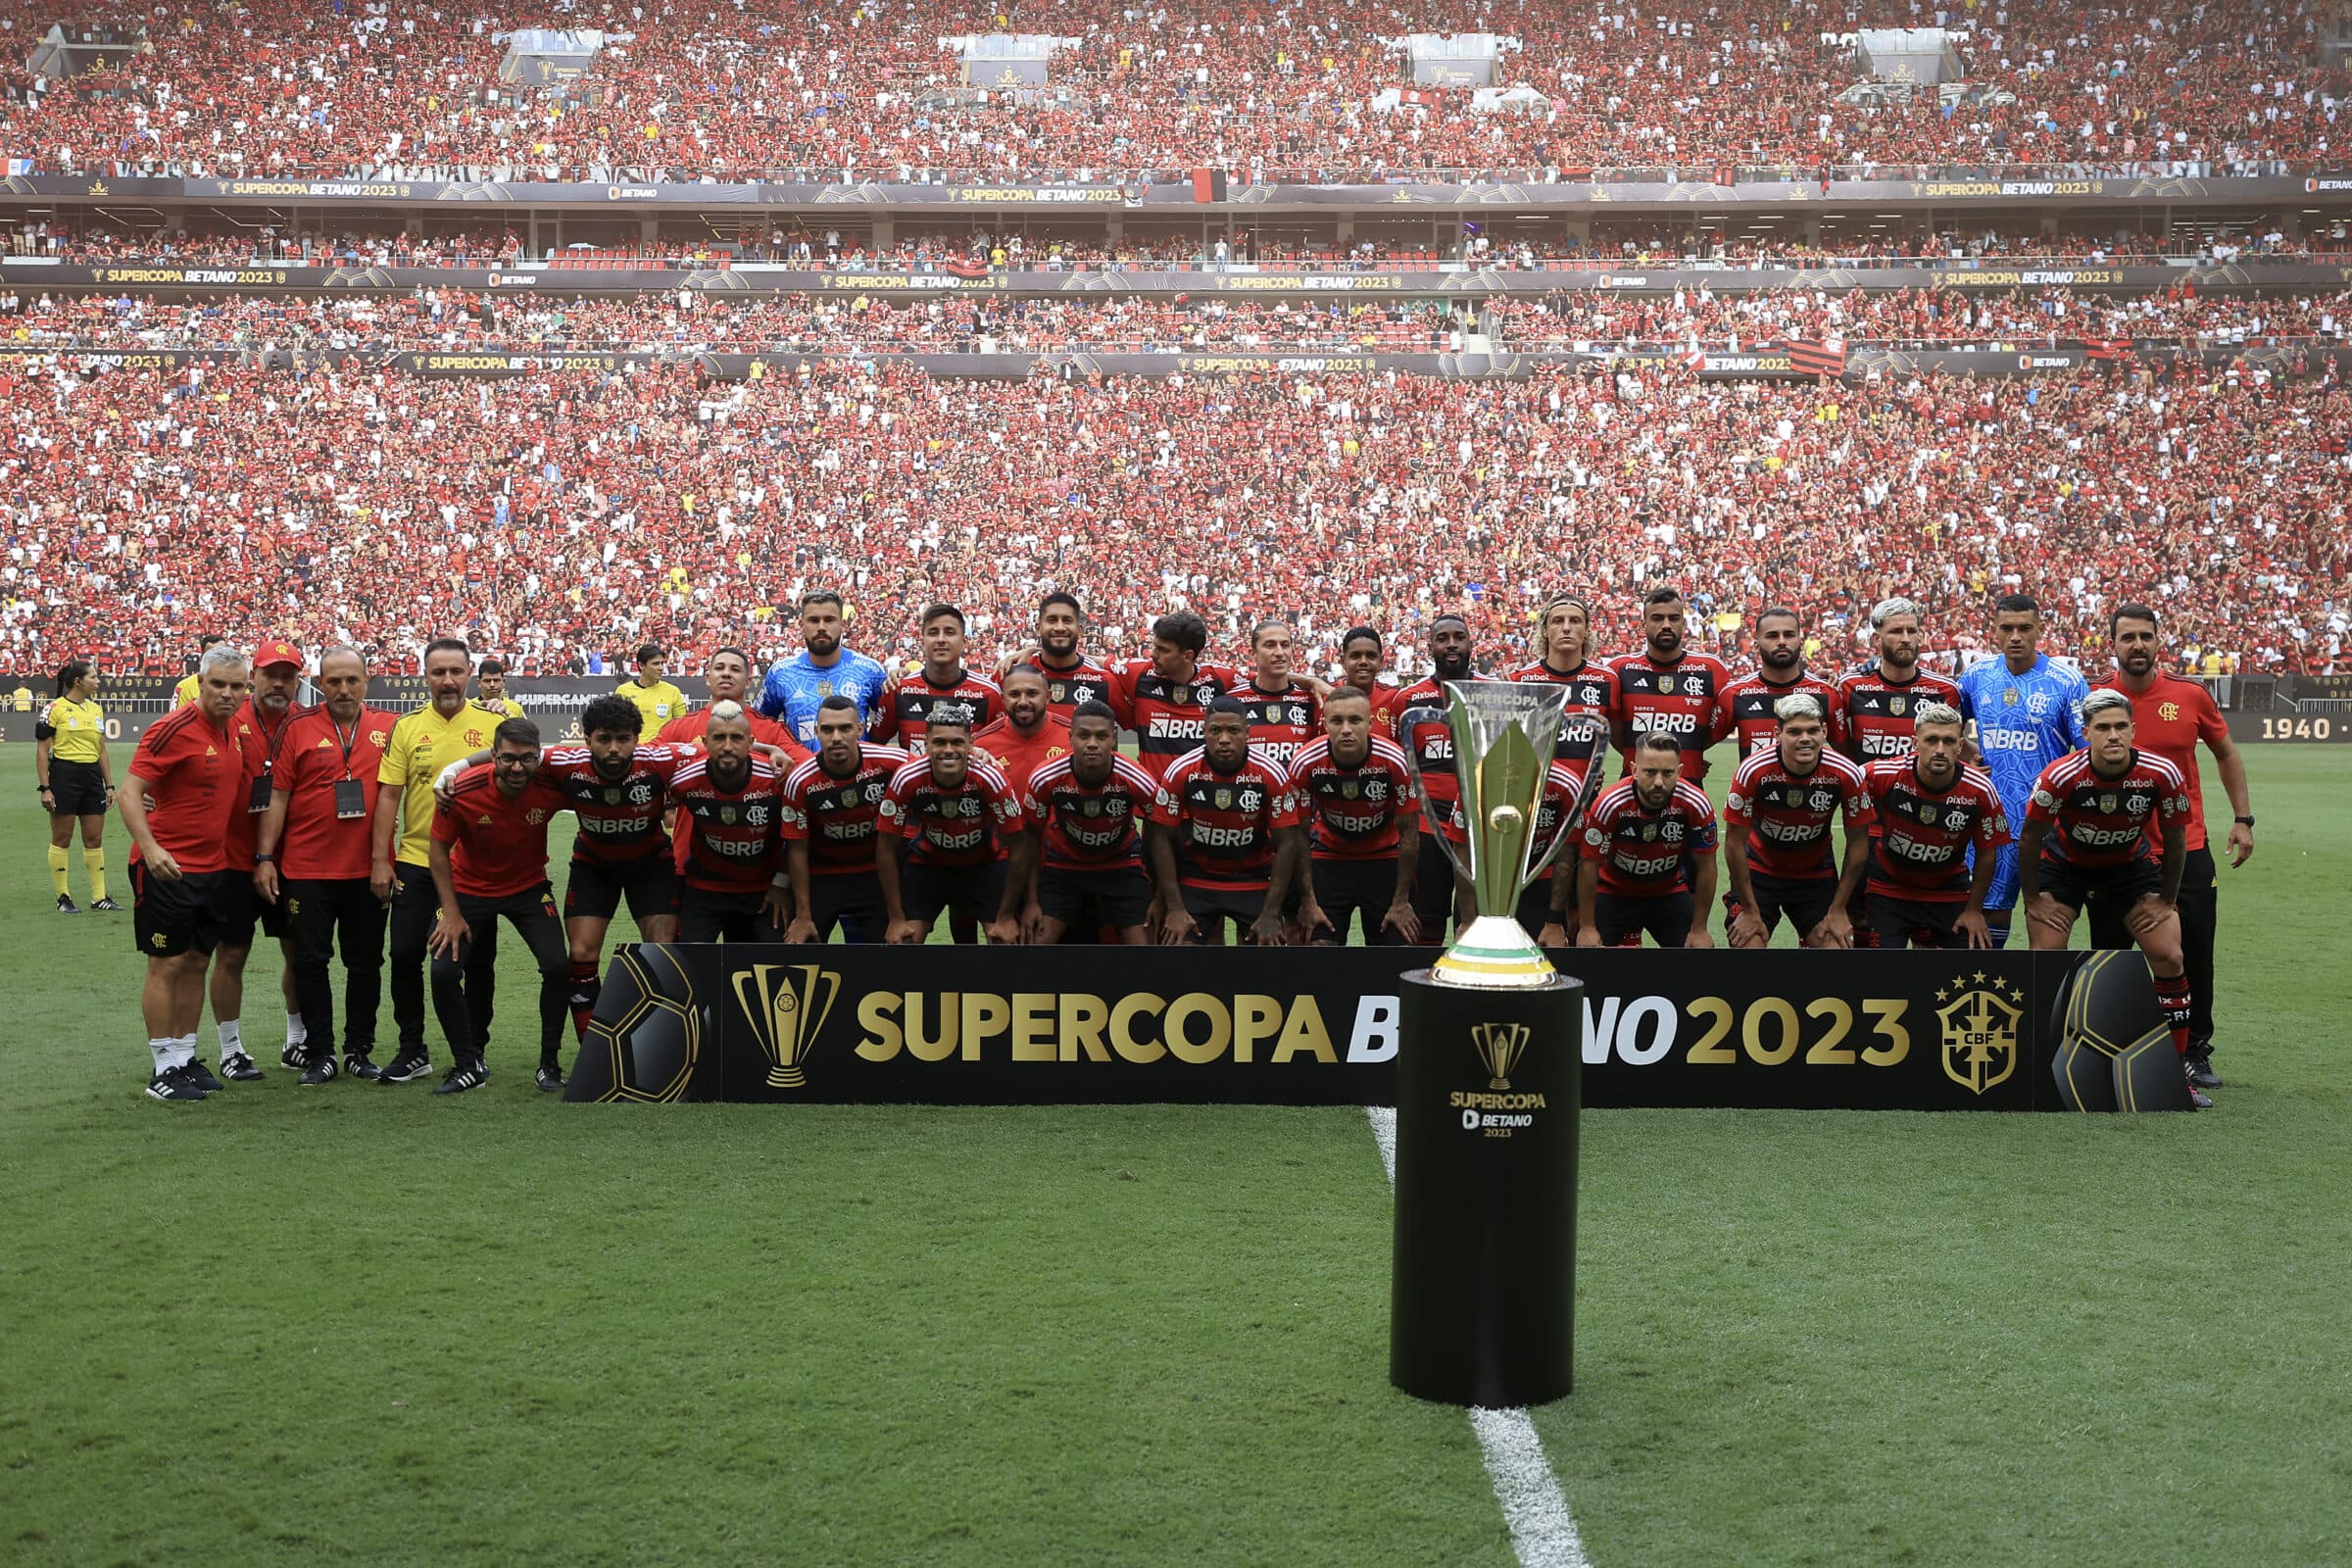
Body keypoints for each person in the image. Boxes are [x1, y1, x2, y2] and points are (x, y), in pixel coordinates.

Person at [2088, 603, 2255, 1089]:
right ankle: (2114, 1044)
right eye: (2127, 638)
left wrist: (2243, 819)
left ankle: (2196, 1049)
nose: (2137, 645)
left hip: (2187, 849)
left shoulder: (2189, 695)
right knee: (2112, 952)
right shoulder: (2096, 698)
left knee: (2196, 949)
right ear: (2113, 644)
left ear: (2158, 640)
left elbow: (2225, 752)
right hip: (2115, 850)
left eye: (2145, 636)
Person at [2017, 690, 2205, 1106]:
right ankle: (2042, 1070)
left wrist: (2166, 901)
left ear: (2134, 730)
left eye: (2121, 726)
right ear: (2086, 733)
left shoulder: (2162, 773)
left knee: (2170, 956)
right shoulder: (2059, 776)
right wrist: (2033, 899)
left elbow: (2175, 842)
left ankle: (2176, 1071)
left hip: (2128, 869)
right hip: (2063, 868)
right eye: (2103, 728)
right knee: (2044, 959)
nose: (2113, 735)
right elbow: (2028, 841)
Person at [254, 647, 395, 1083]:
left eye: (352, 680)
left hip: (369, 871)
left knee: (365, 964)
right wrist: (264, 858)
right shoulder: (297, 726)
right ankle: (320, 1054)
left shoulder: (390, 727)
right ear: (320, 681)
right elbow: (277, 796)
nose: (343, 689)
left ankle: (358, 1049)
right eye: (333, 681)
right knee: (309, 963)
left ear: (367, 681)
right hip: (307, 871)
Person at [119, 644, 251, 1102]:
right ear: (201, 682)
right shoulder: (172, 727)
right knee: (166, 964)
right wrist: (151, 849)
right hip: (167, 868)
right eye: (218, 684)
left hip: (213, 868)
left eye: (237, 686)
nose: (227, 694)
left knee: (197, 961)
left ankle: (184, 1057)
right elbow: (130, 792)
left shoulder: (236, 731)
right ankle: (161, 1069)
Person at [372, 639, 506, 1087]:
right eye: (437, 673)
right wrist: (381, 860)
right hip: (415, 861)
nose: (447, 681)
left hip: (475, 867)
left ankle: (475, 1049)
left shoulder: (494, 727)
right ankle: (413, 1049)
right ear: (424, 676)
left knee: (477, 960)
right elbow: (389, 795)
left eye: (455, 671)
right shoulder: (407, 728)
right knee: (405, 953)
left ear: (470, 673)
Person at [524, 695, 694, 1038]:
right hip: (593, 865)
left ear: (636, 739)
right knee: (582, 953)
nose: (614, 748)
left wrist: (771, 750)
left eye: (623, 738)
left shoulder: (660, 758)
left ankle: (661, 1045)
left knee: (660, 949)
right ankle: (595, 1054)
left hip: (651, 865)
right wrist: (453, 772)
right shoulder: (565, 762)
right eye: (604, 739)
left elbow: (725, 752)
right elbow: (511, 754)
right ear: (587, 740)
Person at [427, 716, 571, 1095]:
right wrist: (452, 913)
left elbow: (584, 757)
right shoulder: (461, 790)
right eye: (508, 759)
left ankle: (550, 1064)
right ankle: (467, 1063)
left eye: (527, 759)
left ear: (539, 758)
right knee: (444, 971)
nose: (518, 767)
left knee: (558, 965)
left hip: (528, 888)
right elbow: (438, 850)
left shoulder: (550, 784)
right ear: (493, 756)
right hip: (469, 889)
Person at [1956, 594, 2089, 948]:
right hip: (1990, 824)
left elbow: (2087, 754)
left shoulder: (2067, 681)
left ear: (2038, 630)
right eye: (2007, 628)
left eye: (2024, 628)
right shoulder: (1976, 677)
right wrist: (1968, 752)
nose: (2016, 636)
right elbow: (1942, 726)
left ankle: (2041, 1001)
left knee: (2045, 930)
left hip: (2045, 827)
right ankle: (1984, 1001)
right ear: (1995, 632)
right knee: (1987, 919)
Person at [218, 637, 311, 1081]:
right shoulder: (228, 717)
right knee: (232, 952)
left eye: (287, 675)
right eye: (270, 673)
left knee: (298, 952)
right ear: (252, 676)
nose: (278, 682)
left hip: (291, 860)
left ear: (298, 680)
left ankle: (297, 1041)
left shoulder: (307, 722)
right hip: (233, 858)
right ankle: (230, 1048)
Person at [1721, 695, 1875, 949]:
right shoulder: (1753, 770)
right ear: (1777, 733)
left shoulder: (1846, 773)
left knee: (1835, 947)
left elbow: (1858, 842)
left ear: (1824, 731)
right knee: (1748, 947)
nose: (1805, 738)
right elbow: (1733, 843)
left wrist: (1838, 909)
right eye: (1794, 731)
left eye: (1813, 730)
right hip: (1760, 872)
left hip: (1815, 875)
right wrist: (1749, 909)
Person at [1148, 697, 1302, 946]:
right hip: (1197, 878)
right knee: (1178, 948)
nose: (1224, 739)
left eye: (1233, 730)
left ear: (1248, 733)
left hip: (1250, 879)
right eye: (1215, 731)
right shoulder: (1182, 770)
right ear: (1204, 732)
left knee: (1267, 950)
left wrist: (1272, 913)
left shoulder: (1269, 773)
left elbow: (1288, 843)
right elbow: (1161, 838)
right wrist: (1175, 908)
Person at [1859, 703, 2007, 950]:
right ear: (1915, 743)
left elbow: (1988, 852)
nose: (1940, 749)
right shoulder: (1882, 774)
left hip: (1948, 891)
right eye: (1931, 740)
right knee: (1880, 972)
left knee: (1974, 963)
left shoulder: (1980, 789)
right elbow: (1843, 783)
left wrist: (1973, 909)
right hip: (1890, 889)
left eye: (1949, 741)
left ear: (1960, 746)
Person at [875, 712, 1031, 945]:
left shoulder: (990, 777)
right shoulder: (907, 777)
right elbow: (886, 847)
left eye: (957, 742)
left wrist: (1006, 916)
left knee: (1004, 940)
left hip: (984, 864)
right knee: (902, 941)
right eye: (939, 742)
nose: (948, 750)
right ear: (926, 743)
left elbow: (1020, 844)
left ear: (971, 743)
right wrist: (896, 919)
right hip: (930, 864)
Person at [1286, 686, 1422, 946]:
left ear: (1370, 723)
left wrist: (1401, 901)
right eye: (1337, 721)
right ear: (1325, 724)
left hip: (1384, 858)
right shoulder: (1305, 762)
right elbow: (1298, 836)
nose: (1346, 729)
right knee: (1319, 945)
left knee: (1395, 947)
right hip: (1330, 857)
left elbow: (1410, 833)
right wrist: (1308, 901)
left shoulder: (1395, 760)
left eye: (1355, 720)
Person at [1021, 702, 1162, 945]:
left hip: (1121, 866)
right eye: (1084, 735)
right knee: (1036, 946)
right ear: (1070, 737)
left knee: (1145, 952)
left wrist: (1161, 897)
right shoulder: (1046, 776)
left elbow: (1161, 833)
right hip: (1063, 867)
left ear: (1113, 738)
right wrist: (1031, 901)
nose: (1092, 744)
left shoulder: (1136, 777)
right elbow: (1030, 838)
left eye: (1101, 736)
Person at [778, 695, 906, 942]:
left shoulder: (892, 762)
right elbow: (797, 849)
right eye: (827, 729)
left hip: (875, 873)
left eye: (845, 728)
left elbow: (929, 768)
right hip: (822, 875)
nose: (836, 737)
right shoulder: (800, 781)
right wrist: (803, 916)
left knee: (890, 958)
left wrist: (973, 751)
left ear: (860, 728)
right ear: (816, 731)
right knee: (799, 951)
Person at [1577, 732, 1719, 949]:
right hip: (1614, 892)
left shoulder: (1696, 803)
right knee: (1588, 957)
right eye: (1650, 772)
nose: (1659, 782)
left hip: (1668, 892)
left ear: (1680, 772)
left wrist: (1699, 929)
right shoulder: (1609, 803)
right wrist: (1587, 927)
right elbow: (1589, 864)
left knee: (1698, 959)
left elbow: (1707, 866)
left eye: (1668, 773)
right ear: (1634, 770)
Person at [1394, 614, 1485, 940]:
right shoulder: (1407, 700)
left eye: (1458, 637)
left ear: (1470, 643)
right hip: (1426, 826)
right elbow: (1399, 765)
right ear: (1430, 645)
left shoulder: (1493, 692)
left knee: (1475, 922)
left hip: (1478, 828)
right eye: (1442, 638)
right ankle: (1427, 986)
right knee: (1427, 922)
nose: (1451, 644)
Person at [669, 703, 791, 943]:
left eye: (736, 738)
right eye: (719, 738)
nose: (727, 746)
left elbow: (798, 836)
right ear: (704, 743)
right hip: (705, 890)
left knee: (776, 967)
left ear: (750, 741)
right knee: (690, 966)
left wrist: (782, 884)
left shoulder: (777, 779)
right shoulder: (684, 781)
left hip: (765, 891)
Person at [1611, 587, 1731, 780]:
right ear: (1643, 625)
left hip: (1689, 791)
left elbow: (1720, 727)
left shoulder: (1712, 669)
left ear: (1683, 624)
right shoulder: (1619, 670)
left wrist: (1691, 753)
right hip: (1632, 794)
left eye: (1674, 619)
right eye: (1657, 618)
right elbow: (1613, 732)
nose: (1666, 625)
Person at [1837, 598, 1970, 763]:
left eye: (1912, 631)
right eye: (1897, 631)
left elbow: (1959, 746)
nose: (1906, 638)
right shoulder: (1850, 686)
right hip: (1867, 788)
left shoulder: (1946, 690)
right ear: (1877, 639)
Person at [35, 658, 120, 913]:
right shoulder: (54, 709)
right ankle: (63, 897)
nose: (98, 681)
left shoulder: (95, 709)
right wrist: (45, 787)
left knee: (94, 838)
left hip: (92, 777)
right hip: (64, 775)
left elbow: (101, 750)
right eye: (93, 676)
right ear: (78, 681)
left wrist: (110, 784)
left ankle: (98, 897)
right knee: (62, 837)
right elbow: (42, 750)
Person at [758, 590, 890, 747]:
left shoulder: (870, 670)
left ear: (842, 624)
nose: (821, 627)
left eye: (829, 620)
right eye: (813, 620)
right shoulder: (780, 673)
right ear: (801, 625)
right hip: (800, 769)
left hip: (856, 771)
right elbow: (759, 724)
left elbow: (889, 720)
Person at [869, 603, 1004, 748]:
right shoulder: (898, 689)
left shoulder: (989, 694)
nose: (941, 639)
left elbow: (1003, 752)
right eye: (933, 633)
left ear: (964, 642)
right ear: (922, 642)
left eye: (950, 632)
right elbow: (873, 749)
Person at [1718, 607, 1842, 761]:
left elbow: (1848, 755)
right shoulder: (1735, 694)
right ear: (1756, 646)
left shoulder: (1826, 692)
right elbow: (1695, 745)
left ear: (1800, 642)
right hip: (1756, 785)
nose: (1782, 642)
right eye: (1772, 636)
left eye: (1789, 635)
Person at [1215, 618, 1321, 771]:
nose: (1279, 652)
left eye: (1285, 645)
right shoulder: (1232, 701)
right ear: (1253, 654)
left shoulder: (1311, 699)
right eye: (1270, 645)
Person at [657, 647, 804, 756]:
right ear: (708, 678)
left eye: (735, 669)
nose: (726, 673)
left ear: (748, 682)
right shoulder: (680, 728)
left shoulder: (772, 731)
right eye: (720, 668)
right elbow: (644, 757)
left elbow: (804, 763)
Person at [1509, 594, 1621, 727]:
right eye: (1558, 621)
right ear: (1545, 630)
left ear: (1586, 630)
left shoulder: (1607, 680)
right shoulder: (1518, 680)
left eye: (1575, 621)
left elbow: (1615, 743)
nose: (1566, 628)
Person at [997, 590, 1114, 715]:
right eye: (1052, 620)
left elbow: (1128, 728)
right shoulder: (1008, 673)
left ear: (1080, 630)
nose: (1059, 628)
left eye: (1067, 620)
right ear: (1038, 628)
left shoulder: (1104, 680)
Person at [971, 665, 1071, 793]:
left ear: (1048, 697)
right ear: (1003, 699)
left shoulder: (1072, 737)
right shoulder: (981, 744)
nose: (1023, 702)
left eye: (1032, 694)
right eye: (1014, 694)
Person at [1336, 626, 1407, 740]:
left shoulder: (1394, 699)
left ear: (1381, 661)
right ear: (1343, 660)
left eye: (1371, 656)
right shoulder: (1323, 696)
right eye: (1355, 656)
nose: (1363, 661)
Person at [612, 643, 688, 741]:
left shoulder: (673, 692)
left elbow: (683, 727)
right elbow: (614, 726)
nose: (661, 668)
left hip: (661, 753)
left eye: (662, 663)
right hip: (633, 753)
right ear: (641, 665)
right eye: (655, 664)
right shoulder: (623, 691)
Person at [172, 635, 224, 708]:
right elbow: (176, 717)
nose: (218, 657)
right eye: (212, 654)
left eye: (223, 653)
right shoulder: (184, 687)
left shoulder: (240, 685)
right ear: (203, 656)